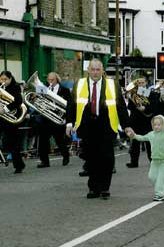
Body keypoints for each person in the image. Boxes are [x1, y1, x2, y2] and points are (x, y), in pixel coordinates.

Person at [66, 58, 133, 199]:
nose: (95, 72)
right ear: (88, 70)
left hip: (106, 124)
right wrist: (69, 123)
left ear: (102, 71)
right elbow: (71, 105)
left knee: (107, 158)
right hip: (87, 124)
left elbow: (121, 107)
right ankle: (93, 187)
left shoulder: (112, 84)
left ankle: (104, 188)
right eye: (93, 69)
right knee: (91, 158)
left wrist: (126, 126)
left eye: (98, 69)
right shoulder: (79, 84)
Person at [130, 115, 164, 201]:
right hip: (154, 160)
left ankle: (160, 194)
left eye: (159, 124)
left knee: (160, 178)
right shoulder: (151, 134)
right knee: (151, 176)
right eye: (154, 124)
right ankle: (160, 189)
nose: (156, 126)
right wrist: (134, 135)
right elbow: (142, 138)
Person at [37, 72, 72, 168]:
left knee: (60, 140)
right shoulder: (44, 89)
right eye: (49, 80)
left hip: (58, 118)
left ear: (57, 80)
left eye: (52, 80)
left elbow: (68, 105)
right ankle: (44, 161)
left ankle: (66, 156)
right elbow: (39, 101)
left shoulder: (65, 90)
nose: (50, 82)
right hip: (46, 118)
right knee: (43, 140)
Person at [0, 71, 26, 173]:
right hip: (1, 118)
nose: (3, 81)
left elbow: (18, 101)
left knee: (13, 143)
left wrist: (5, 109)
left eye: (5, 79)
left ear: (10, 79)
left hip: (11, 118)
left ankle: (19, 165)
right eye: (1, 79)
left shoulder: (15, 87)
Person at [126, 77, 154, 168]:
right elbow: (130, 107)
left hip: (146, 121)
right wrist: (135, 105)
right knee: (135, 142)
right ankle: (134, 162)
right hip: (135, 121)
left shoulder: (150, 93)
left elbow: (155, 107)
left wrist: (145, 108)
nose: (140, 84)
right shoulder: (133, 94)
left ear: (146, 83)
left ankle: (152, 161)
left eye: (142, 82)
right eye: (139, 83)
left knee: (149, 142)